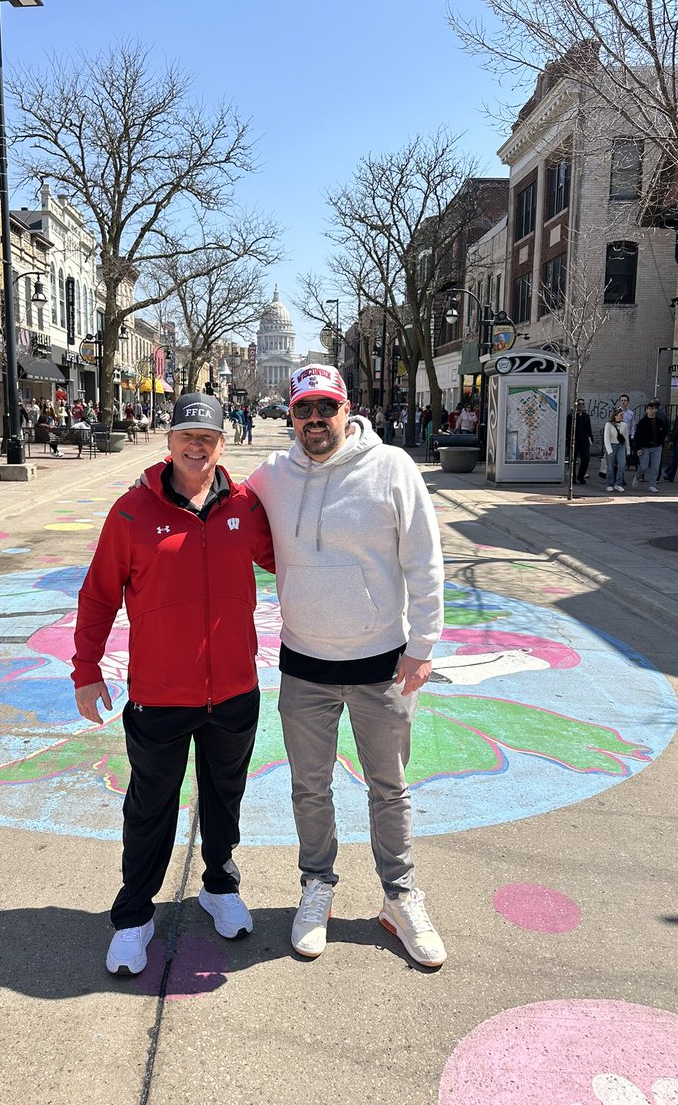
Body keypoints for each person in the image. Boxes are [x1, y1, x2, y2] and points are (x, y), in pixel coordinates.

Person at [245, 365, 446, 968]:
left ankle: (400, 895)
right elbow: (211, 499)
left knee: (389, 788)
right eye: (303, 410)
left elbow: (424, 560)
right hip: (305, 663)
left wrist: (424, 644)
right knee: (310, 786)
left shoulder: (392, 468)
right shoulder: (272, 477)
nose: (314, 421)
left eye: (325, 408)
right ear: (291, 415)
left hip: (381, 662)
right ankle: (317, 886)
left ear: (346, 407)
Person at [72, 393, 274, 976]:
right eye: (186, 435)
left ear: (221, 442)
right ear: (168, 442)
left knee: (224, 797)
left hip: (234, 689)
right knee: (150, 807)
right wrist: (86, 670)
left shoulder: (245, 507)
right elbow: (99, 594)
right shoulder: (131, 513)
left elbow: (296, 560)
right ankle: (134, 915)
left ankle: (218, 884)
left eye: (207, 437)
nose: (196, 446)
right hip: (160, 694)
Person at [632, 401, 668, 490]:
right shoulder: (642, 422)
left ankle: (652, 485)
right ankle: (637, 476)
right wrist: (638, 448)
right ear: (647, 410)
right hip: (645, 447)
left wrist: (661, 442)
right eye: (649, 409)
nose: (651, 411)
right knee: (643, 466)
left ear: (656, 410)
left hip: (657, 447)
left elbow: (664, 432)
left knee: (655, 467)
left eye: (653, 409)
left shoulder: (660, 422)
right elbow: (637, 436)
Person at [565, 398, 593, 484]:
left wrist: (591, 438)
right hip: (574, 441)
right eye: (579, 404)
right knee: (572, 460)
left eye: (582, 404)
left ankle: (581, 476)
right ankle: (572, 478)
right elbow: (568, 429)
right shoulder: (571, 416)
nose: (581, 406)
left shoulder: (586, 416)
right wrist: (570, 439)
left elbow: (589, 428)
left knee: (586, 458)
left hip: (584, 441)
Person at [603, 407, 630, 492]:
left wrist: (628, 449)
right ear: (615, 416)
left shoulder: (624, 425)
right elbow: (606, 438)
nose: (622, 416)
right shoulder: (608, 425)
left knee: (622, 464)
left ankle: (618, 483)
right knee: (610, 466)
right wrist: (609, 450)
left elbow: (626, 438)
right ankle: (609, 484)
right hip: (612, 445)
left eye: (622, 415)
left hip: (621, 446)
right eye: (620, 415)